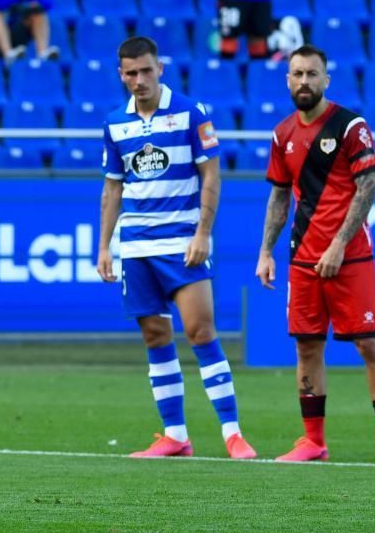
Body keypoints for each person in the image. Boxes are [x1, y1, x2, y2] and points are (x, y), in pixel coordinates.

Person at [98, 36, 256, 460]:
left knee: (201, 331)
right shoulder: (115, 122)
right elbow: (112, 189)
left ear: (160, 67)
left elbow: (212, 177)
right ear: (121, 74)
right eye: (130, 73)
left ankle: (232, 432)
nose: (139, 80)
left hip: (182, 242)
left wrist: (203, 233)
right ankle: (175, 434)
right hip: (136, 246)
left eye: (146, 70)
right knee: (155, 335)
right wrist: (105, 248)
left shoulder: (191, 112)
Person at [255, 44, 375, 465]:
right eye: (297, 74)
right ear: (287, 80)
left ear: (326, 79)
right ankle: (313, 441)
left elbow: (368, 187)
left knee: (369, 345)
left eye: (312, 74)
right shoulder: (282, 133)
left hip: (351, 256)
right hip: (303, 258)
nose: (305, 81)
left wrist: (339, 243)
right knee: (306, 347)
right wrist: (266, 251)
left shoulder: (349, 125)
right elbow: (280, 197)